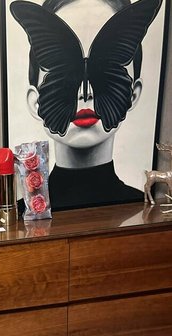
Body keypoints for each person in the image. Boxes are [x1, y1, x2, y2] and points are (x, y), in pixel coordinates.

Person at [10, 0, 162, 211]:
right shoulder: (23, 212)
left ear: (133, 94)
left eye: (103, 73)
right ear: (35, 101)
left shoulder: (141, 206)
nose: (86, 93)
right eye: (65, 79)